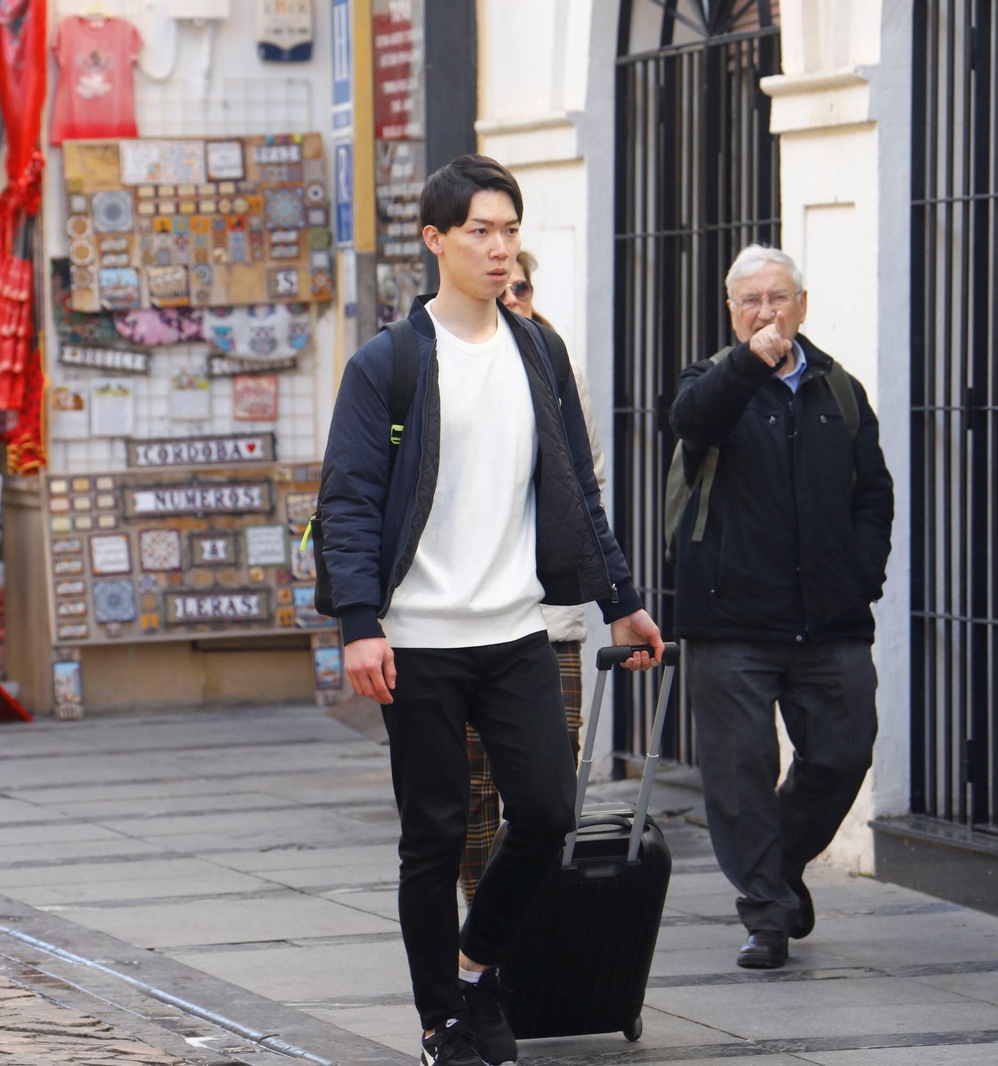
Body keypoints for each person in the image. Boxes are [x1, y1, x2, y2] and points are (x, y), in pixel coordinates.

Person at [319, 156, 663, 1066]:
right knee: (434, 837)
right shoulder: (389, 364)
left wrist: (622, 602)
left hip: (515, 632)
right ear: (436, 240)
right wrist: (359, 623)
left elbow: (578, 490)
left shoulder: (539, 353)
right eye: (480, 230)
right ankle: (442, 1021)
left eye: (510, 229)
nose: (500, 247)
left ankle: (475, 971)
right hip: (418, 641)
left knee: (546, 814)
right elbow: (348, 500)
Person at [669, 245, 893, 971]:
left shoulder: (840, 390)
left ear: (802, 305)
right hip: (729, 619)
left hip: (829, 618)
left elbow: (873, 494)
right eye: (751, 301)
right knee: (741, 772)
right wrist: (748, 364)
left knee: (843, 750)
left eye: (778, 297)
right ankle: (766, 914)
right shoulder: (712, 381)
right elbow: (691, 420)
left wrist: (861, 576)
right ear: (732, 313)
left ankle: (781, 864)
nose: (766, 312)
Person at [459, 250, 607, 903]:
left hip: (549, 620)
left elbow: (587, 485)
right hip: (463, 623)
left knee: (549, 790)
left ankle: (525, 927)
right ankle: (481, 924)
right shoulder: (437, 365)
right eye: (502, 287)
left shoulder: (557, 370)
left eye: (521, 288)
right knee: (470, 791)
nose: (512, 298)